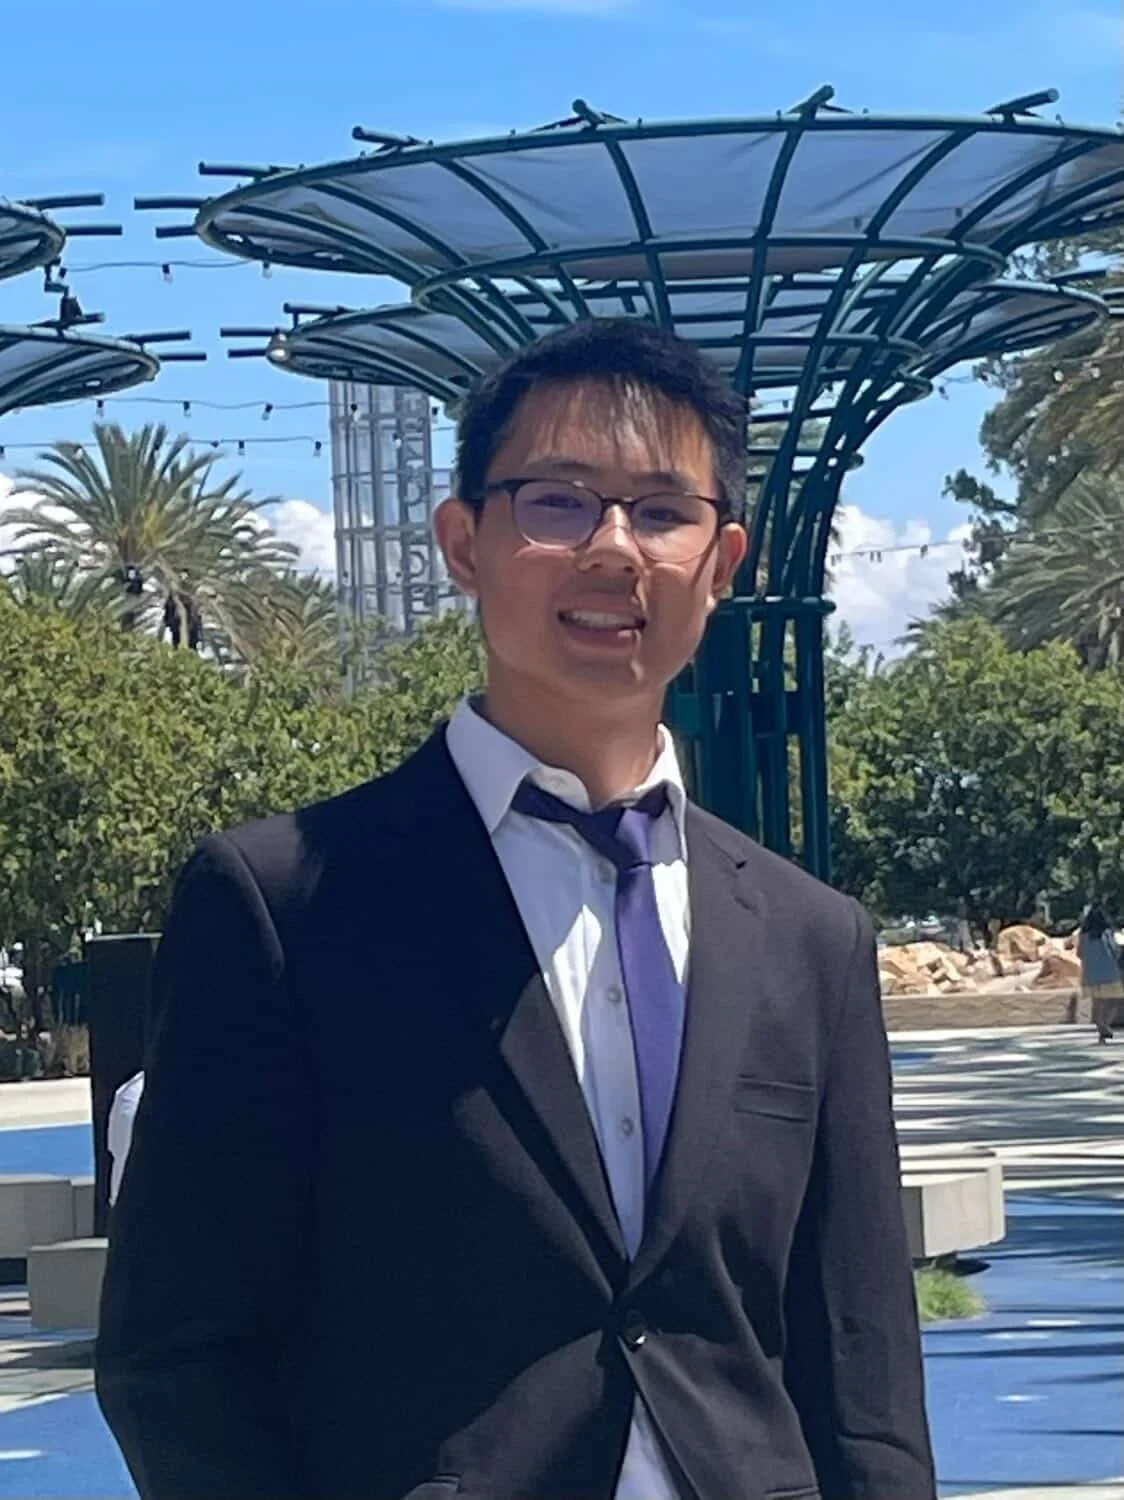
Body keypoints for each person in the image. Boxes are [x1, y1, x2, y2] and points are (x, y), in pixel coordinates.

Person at [95, 319, 936, 1500]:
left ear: (722, 562)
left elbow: (862, 1365)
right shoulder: (284, 902)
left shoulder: (809, 936)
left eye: (661, 511)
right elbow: (175, 1353)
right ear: (462, 543)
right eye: (557, 502)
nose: (612, 548)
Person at [1076, 904, 1124, 1043]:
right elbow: (1115, 951)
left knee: (1097, 1002)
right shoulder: (1107, 933)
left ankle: (1101, 1027)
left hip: (1091, 974)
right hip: (1109, 972)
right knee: (1114, 1000)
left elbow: (1079, 953)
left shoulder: (1083, 936)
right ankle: (1105, 1025)